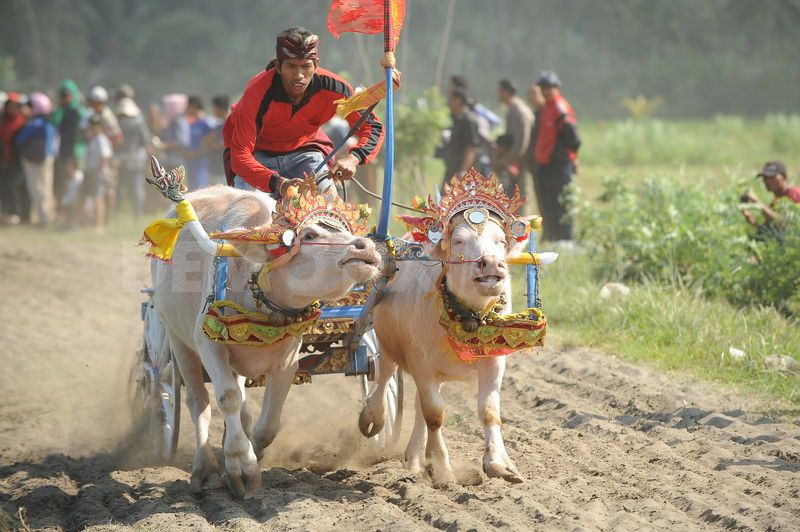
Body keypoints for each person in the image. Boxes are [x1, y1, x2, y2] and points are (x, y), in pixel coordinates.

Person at [223, 26, 384, 198]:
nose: (299, 75)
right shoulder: (257, 93)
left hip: (305, 153)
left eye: (306, 66)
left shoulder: (336, 88)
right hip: (257, 158)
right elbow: (240, 155)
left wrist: (353, 158)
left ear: (315, 65)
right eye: (291, 66)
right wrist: (279, 183)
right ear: (278, 67)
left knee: (329, 206)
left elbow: (372, 126)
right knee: (249, 213)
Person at [532, 70, 581, 242]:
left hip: (558, 165)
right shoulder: (546, 108)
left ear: (556, 88)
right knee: (549, 203)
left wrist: (570, 157)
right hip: (546, 165)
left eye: (547, 87)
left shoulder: (560, 108)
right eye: (542, 87)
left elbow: (573, 139)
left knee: (561, 203)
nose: (544, 91)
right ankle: (553, 237)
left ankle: (565, 239)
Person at [15, 92, 58, 226]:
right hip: (48, 159)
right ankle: (48, 216)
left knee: (37, 189)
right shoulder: (49, 125)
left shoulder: (34, 124)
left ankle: (42, 219)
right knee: (47, 189)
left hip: (33, 161)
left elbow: (19, 140)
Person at [116, 85, 152, 218]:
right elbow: (146, 139)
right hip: (137, 157)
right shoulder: (139, 119)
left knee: (120, 187)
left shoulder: (119, 120)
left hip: (122, 157)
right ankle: (137, 214)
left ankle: (117, 213)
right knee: (137, 188)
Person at [51, 79, 85, 220]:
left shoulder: (79, 112)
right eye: (63, 95)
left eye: (68, 95)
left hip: (76, 154)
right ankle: (64, 216)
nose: (65, 98)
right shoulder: (60, 112)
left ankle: (75, 217)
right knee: (62, 185)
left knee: (75, 185)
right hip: (63, 153)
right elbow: (53, 123)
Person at [493, 79, 533, 197]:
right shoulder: (511, 110)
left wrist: (506, 161)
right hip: (514, 163)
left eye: (499, 91)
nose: (497, 94)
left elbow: (522, 143)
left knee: (520, 198)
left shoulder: (520, 111)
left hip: (521, 163)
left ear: (505, 92)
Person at [741, 161, 800, 227]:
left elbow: (787, 222)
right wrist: (749, 217)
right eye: (765, 178)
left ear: (784, 176)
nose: (767, 181)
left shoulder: (795, 194)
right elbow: (771, 229)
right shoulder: (775, 202)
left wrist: (757, 202)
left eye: (771, 177)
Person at [0, 93, 30, 224]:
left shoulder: (21, 122)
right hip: (5, 159)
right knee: (5, 185)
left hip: (18, 160)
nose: (11, 109)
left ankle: (18, 212)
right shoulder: (3, 120)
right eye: (10, 106)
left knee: (14, 185)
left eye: (14, 106)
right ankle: (8, 212)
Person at [442, 89, 481, 185]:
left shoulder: (469, 121)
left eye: (450, 99)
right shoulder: (457, 119)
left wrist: (463, 171)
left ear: (458, 100)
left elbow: (471, 148)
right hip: (452, 170)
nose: (448, 102)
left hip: (462, 174)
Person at [83, 114, 113, 232]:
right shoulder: (94, 140)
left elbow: (105, 157)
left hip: (99, 174)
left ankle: (99, 225)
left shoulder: (101, 140)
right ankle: (95, 222)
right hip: (94, 173)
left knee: (98, 198)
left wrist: (97, 172)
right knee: (95, 198)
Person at [184, 95, 215, 190]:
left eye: (187, 106)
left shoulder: (207, 123)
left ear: (193, 106)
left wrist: (194, 153)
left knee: (201, 188)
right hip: (191, 162)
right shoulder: (192, 123)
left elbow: (209, 146)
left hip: (202, 163)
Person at [202, 95, 230, 185]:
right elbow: (206, 143)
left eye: (213, 107)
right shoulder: (218, 126)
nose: (212, 110)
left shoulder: (230, 124)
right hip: (215, 168)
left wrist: (213, 145)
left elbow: (227, 145)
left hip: (224, 170)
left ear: (219, 108)